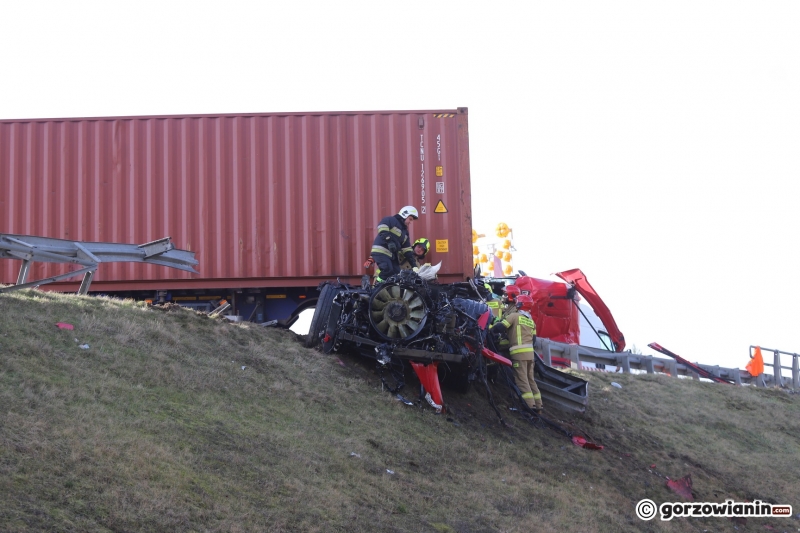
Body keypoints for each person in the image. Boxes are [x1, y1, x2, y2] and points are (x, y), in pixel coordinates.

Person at [490, 294, 543, 413]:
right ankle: (538, 406)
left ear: (519, 304)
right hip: (530, 355)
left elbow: (500, 328)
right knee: (531, 380)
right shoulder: (531, 322)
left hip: (519, 354)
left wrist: (490, 330)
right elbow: (533, 341)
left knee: (521, 380)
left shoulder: (514, 316)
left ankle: (529, 408)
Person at [370, 206, 419, 283]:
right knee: (387, 270)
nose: (410, 222)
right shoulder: (391, 220)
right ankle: (376, 286)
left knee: (397, 274)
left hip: (391, 255)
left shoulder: (405, 232)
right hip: (380, 251)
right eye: (410, 219)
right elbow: (382, 227)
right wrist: (389, 241)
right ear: (404, 214)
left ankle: (389, 291)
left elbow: (407, 250)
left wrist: (414, 266)